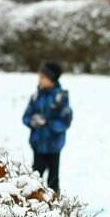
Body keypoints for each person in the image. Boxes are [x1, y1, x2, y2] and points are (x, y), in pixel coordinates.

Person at [22, 62, 73, 193]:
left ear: (52, 79)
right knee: (35, 177)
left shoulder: (60, 97)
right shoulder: (35, 97)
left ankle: (55, 203)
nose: (40, 80)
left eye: (43, 77)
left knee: (53, 179)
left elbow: (65, 121)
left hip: (54, 146)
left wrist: (48, 124)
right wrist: (34, 121)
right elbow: (26, 117)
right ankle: (35, 203)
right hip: (38, 145)